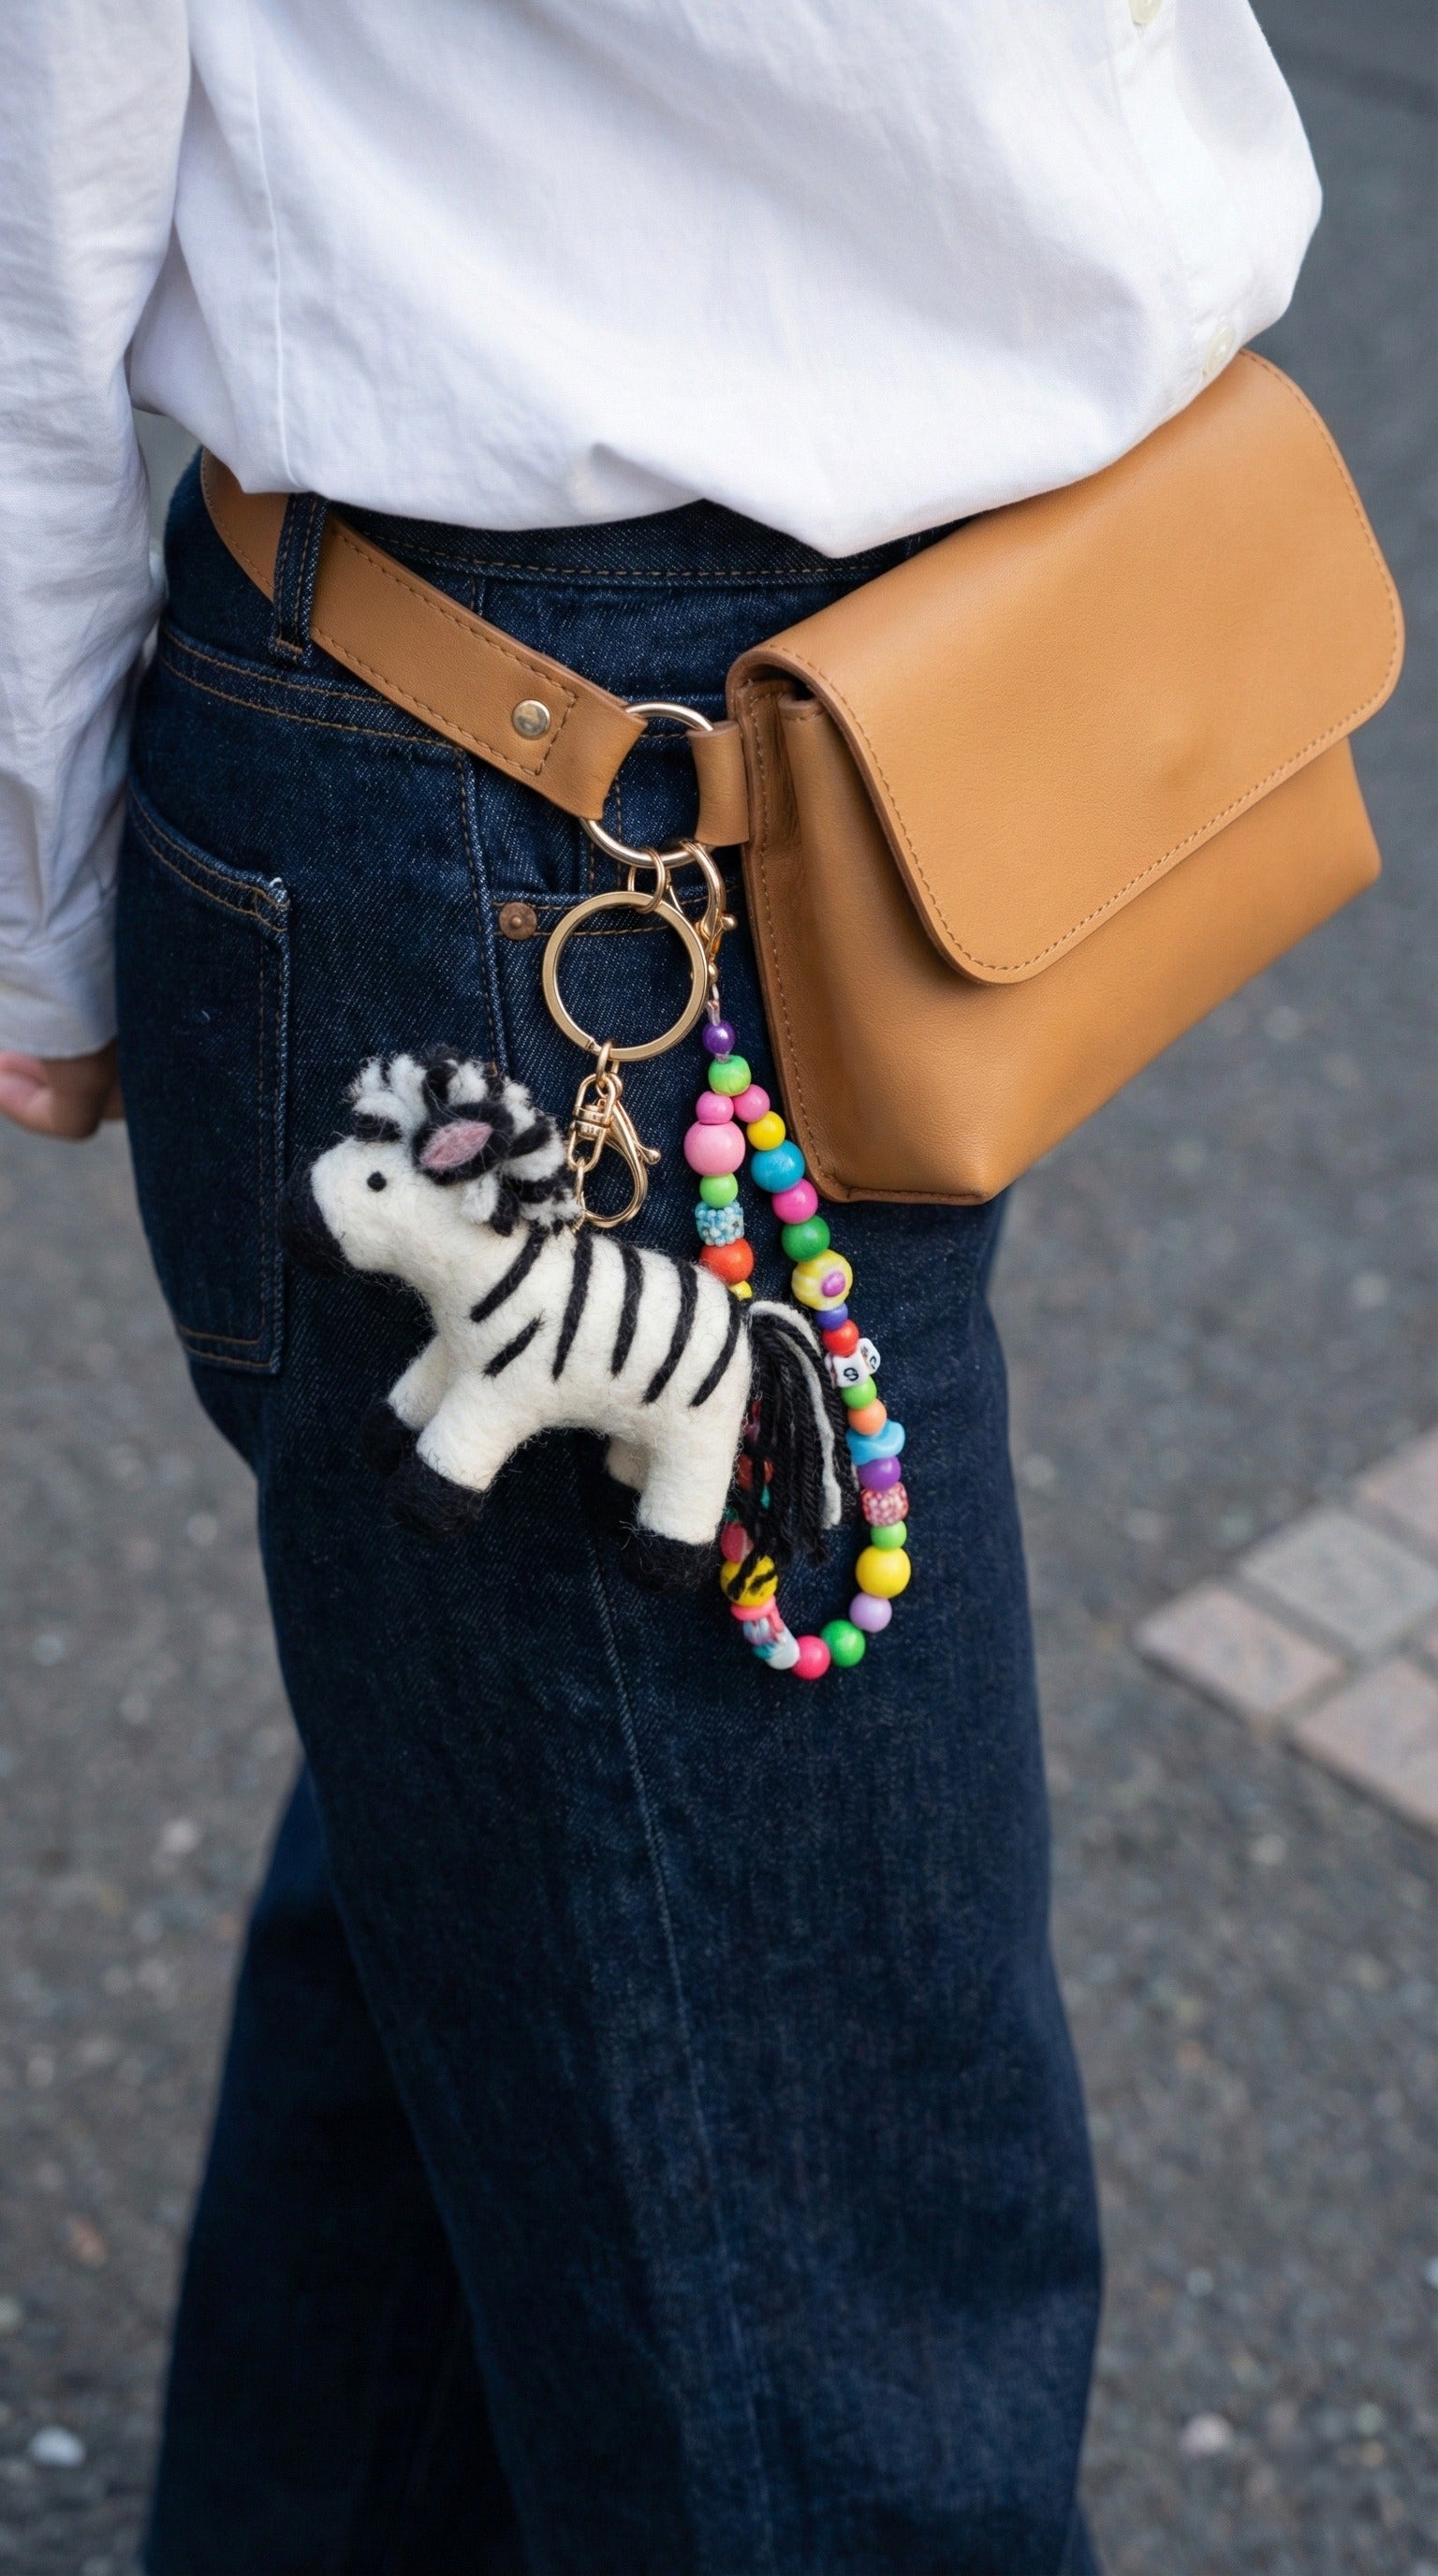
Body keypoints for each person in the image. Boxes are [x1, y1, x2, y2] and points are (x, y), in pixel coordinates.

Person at [0, 7, 1319, 2569]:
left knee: (537, 1852)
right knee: (845, 2390)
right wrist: (25, 851)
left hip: (899, 676)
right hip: (546, 787)